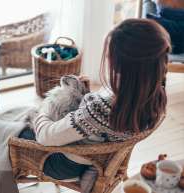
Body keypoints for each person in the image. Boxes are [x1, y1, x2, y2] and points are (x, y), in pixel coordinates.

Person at [19, 18, 171, 180]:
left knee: (5, 131)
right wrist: (87, 95)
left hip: (63, 165)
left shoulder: (101, 109)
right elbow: (102, 125)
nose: (107, 59)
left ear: (121, 66)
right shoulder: (155, 96)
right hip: (96, 159)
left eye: (109, 55)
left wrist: (45, 107)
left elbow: (44, 136)